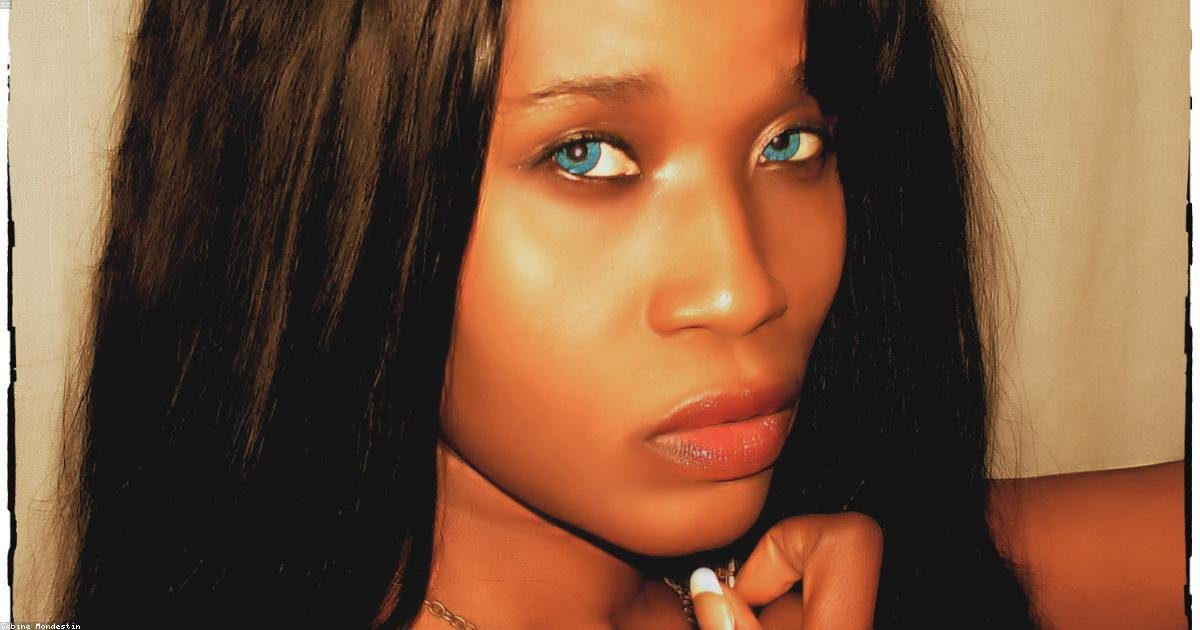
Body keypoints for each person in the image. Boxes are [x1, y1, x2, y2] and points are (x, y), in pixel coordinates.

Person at [44, 0, 1182, 628]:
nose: (743, 287)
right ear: (318, 189)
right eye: (587, 155)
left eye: (791, 142)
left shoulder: (853, 568)